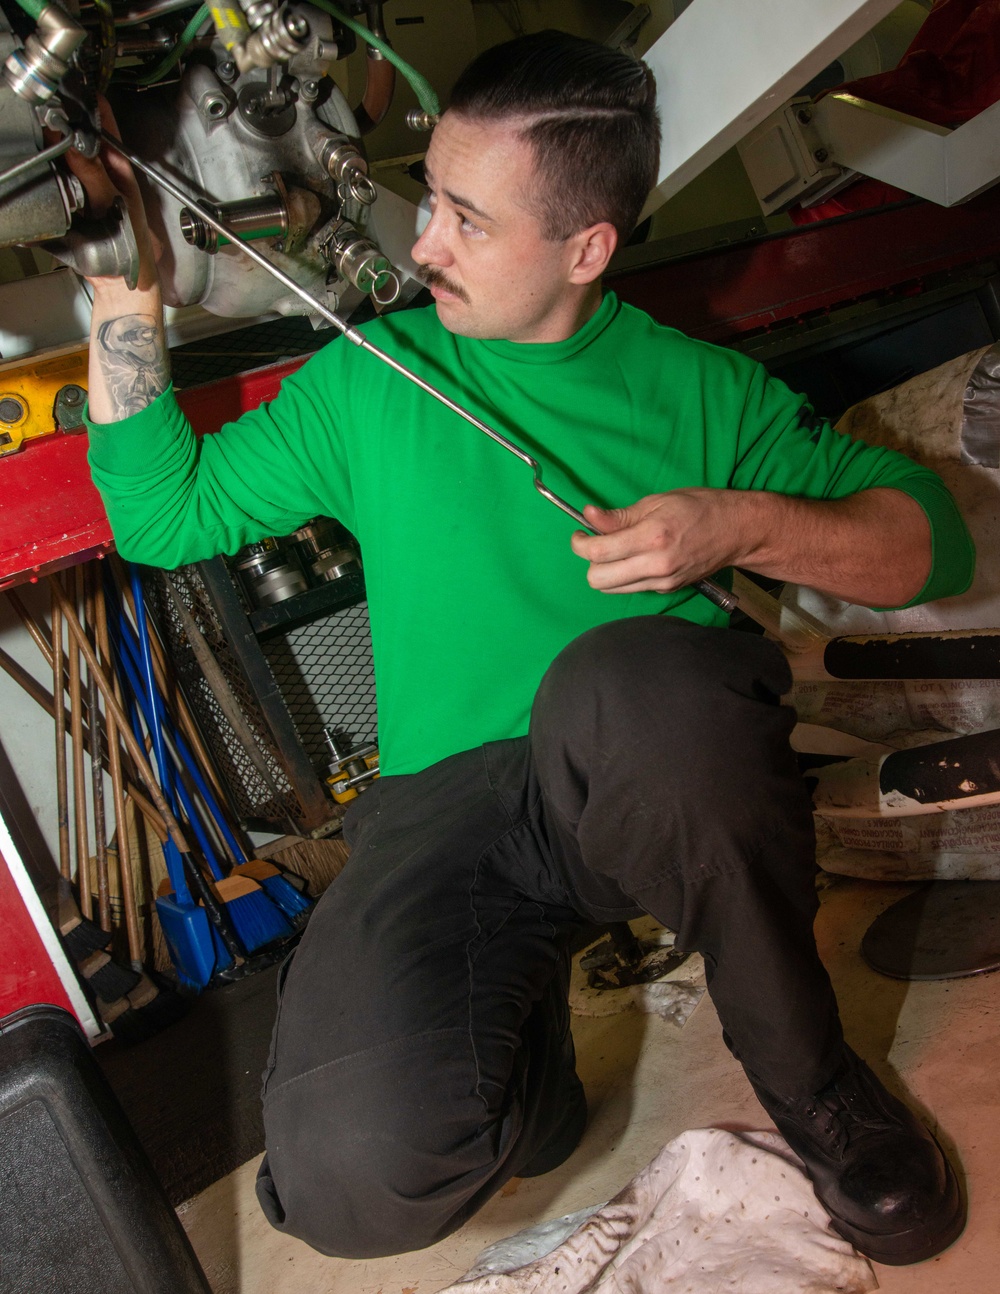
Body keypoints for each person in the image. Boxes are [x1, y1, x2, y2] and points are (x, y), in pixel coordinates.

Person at [80, 30, 973, 1268]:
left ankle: (815, 1081)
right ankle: (520, 1065)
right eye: (428, 197)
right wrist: (124, 298)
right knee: (349, 1181)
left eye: (463, 217)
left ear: (586, 247)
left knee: (645, 677)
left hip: (630, 774)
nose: (420, 244)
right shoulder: (376, 379)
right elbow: (162, 515)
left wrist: (742, 522)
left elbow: (928, 544)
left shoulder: (701, 394)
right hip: (440, 809)